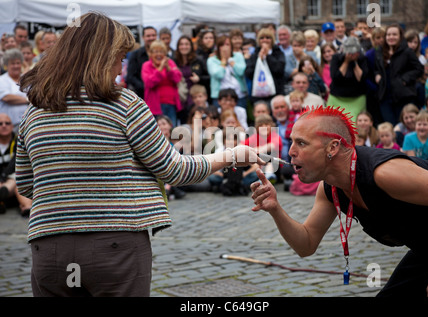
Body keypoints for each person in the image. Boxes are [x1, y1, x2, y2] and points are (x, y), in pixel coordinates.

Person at [16, 12, 264, 297]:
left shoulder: (34, 112)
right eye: (119, 57)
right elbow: (175, 170)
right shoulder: (123, 103)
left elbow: (25, 185)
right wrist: (231, 154)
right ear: (100, 56)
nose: (121, 69)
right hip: (115, 247)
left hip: (49, 248)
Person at [250, 105, 428, 297]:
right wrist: (275, 208)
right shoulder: (330, 187)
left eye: (301, 143)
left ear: (333, 147)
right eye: (292, 142)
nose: (291, 151)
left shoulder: (383, 173)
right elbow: (307, 244)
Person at [374, 24, 424, 125]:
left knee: (401, 125)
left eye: (394, 34)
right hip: (385, 96)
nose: (391, 37)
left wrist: (405, 79)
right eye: (388, 35)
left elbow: (419, 69)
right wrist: (377, 75)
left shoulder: (407, 52)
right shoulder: (380, 51)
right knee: (390, 125)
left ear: (400, 36)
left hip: (402, 95)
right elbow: (377, 68)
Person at [327, 37, 368, 123]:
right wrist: (346, 61)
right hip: (337, 98)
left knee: (354, 125)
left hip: (357, 98)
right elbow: (336, 78)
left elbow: (361, 78)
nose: (351, 54)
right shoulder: (336, 58)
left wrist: (354, 62)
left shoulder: (362, 59)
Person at [141, 40, 182, 126]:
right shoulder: (146, 65)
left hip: (171, 104)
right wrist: (159, 69)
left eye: (161, 51)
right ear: (150, 54)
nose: (159, 54)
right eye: (156, 52)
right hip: (155, 106)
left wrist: (168, 69)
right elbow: (149, 83)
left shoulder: (170, 63)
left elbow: (178, 78)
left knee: (171, 131)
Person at [0, 112, 32, 216]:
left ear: (12, 126)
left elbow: (17, 163)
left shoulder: (19, 140)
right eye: (0, 124)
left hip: (16, 179)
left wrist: (4, 176)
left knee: (18, 180)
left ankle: (27, 207)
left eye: (7, 123)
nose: (4, 126)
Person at [174, 35, 209, 124]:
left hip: (194, 96)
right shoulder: (174, 61)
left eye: (186, 44)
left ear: (191, 46)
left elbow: (208, 77)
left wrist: (199, 79)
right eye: (181, 44)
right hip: (180, 97)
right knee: (183, 123)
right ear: (178, 47)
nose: (184, 47)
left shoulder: (198, 60)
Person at [245, 28, 286, 102]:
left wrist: (268, 56)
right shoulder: (255, 54)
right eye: (262, 38)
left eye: (268, 37)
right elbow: (248, 73)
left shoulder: (278, 53)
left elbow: (279, 70)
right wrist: (258, 59)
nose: (265, 40)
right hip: (259, 94)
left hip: (275, 93)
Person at [207, 35, 247, 109]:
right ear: (218, 47)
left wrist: (231, 62)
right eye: (222, 45)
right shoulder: (212, 60)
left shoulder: (238, 56)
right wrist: (223, 62)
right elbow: (219, 75)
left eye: (227, 44)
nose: (225, 48)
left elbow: (241, 72)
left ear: (231, 46)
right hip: (220, 97)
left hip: (239, 96)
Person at [0, 49, 28, 131]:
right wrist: (27, 99)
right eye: (12, 63)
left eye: (18, 63)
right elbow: (7, 97)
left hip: (26, 123)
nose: (16, 66)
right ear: (6, 65)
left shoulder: (27, 79)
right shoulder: (2, 80)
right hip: (8, 126)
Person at [126, 26, 157, 98]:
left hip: (160, 98)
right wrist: (146, 88)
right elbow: (130, 77)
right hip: (142, 96)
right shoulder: (136, 55)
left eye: (153, 35)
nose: (151, 38)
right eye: (148, 36)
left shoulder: (163, 55)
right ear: (143, 37)